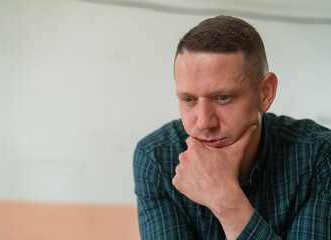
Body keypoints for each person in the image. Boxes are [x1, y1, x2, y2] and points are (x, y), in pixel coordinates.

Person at [133, 15, 331, 240]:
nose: (204, 122)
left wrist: (227, 203)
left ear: (265, 92)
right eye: (188, 100)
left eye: (223, 97)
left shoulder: (320, 157)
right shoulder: (156, 157)